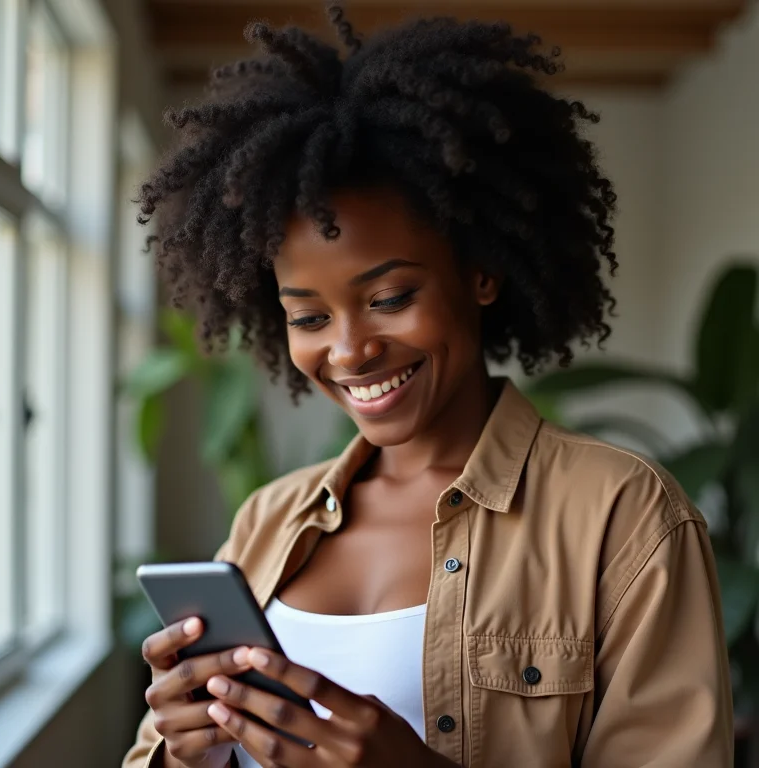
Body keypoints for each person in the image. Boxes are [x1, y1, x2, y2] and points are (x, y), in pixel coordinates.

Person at [122, 5, 733, 767]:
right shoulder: (268, 521)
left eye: (389, 299)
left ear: (481, 272)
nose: (349, 350)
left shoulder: (622, 517)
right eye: (307, 316)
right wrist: (185, 752)